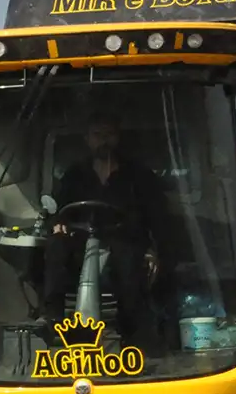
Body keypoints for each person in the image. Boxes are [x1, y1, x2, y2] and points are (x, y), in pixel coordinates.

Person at [39, 110, 168, 353]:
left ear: (118, 137)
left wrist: (154, 250)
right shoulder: (74, 175)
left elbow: (157, 217)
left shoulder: (138, 176)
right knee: (55, 245)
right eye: (97, 135)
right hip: (80, 244)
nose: (104, 141)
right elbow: (59, 209)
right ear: (88, 139)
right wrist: (58, 224)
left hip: (125, 241)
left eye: (109, 134)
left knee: (129, 260)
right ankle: (52, 317)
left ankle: (131, 332)